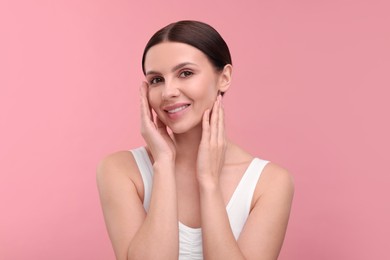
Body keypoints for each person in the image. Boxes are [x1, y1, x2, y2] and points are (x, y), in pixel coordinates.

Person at [97, 20, 294, 260]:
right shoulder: (121, 170)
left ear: (224, 77)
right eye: (157, 80)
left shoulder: (269, 183)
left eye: (186, 73)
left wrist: (209, 183)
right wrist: (164, 164)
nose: (168, 91)